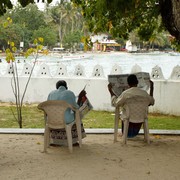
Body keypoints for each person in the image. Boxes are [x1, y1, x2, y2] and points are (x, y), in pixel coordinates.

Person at [47, 80, 86, 146]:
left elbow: (47, 106)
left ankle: (56, 141)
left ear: (56, 87)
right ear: (66, 87)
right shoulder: (69, 93)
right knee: (78, 116)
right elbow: (76, 107)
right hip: (66, 120)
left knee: (70, 116)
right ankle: (73, 141)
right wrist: (80, 98)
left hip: (51, 119)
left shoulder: (51, 93)